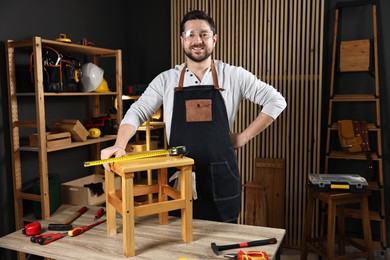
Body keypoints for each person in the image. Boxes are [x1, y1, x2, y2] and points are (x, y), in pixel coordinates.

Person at [101, 10, 286, 223]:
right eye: (190, 34)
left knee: (223, 244)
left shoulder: (234, 75)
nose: (197, 41)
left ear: (214, 39)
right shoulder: (166, 80)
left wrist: (243, 137)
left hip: (222, 178)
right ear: (182, 40)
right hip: (179, 177)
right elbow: (137, 111)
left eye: (204, 34)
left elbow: (276, 101)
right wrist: (120, 143)